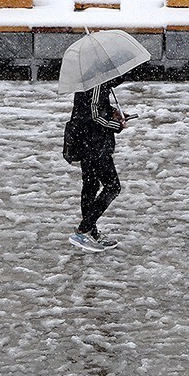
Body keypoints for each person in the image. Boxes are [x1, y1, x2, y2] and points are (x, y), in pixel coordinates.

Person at [68, 76, 128, 251]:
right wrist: (116, 125)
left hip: (86, 143)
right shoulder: (97, 82)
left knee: (91, 186)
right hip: (95, 145)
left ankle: (91, 233)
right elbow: (94, 116)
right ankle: (84, 230)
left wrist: (112, 112)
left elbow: (90, 108)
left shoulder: (90, 81)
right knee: (113, 186)